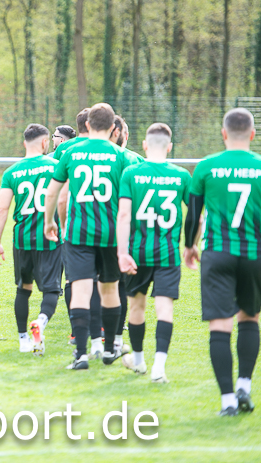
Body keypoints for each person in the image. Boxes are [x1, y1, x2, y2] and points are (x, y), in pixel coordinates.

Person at [183, 108, 261, 416]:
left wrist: (190, 245)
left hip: (217, 253)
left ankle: (228, 401)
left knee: (220, 324)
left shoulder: (206, 167)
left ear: (224, 133)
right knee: (249, 319)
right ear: (253, 134)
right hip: (255, 256)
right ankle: (244, 383)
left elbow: (193, 215)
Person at [43, 103, 133, 370]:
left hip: (78, 233)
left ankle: (81, 355)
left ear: (88, 125)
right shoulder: (122, 156)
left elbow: (54, 193)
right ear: (113, 128)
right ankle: (110, 349)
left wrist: (50, 222)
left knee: (81, 291)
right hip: (110, 234)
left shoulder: (70, 152)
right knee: (110, 290)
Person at [116, 123, 191, 383]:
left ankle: (138, 361)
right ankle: (159, 368)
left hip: (137, 253)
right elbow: (196, 214)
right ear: (169, 147)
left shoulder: (131, 173)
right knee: (164, 309)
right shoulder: (182, 176)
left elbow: (124, 215)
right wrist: (192, 244)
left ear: (145, 145)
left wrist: (122, 252)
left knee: (136, 306)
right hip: (168, 254)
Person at [0, 124, 62, 356]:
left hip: (22, 239)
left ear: (25, 143)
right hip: (50, 237)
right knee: (51, 290)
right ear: (45, 143)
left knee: (23, 289)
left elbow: (2, 210)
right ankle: (40, 322)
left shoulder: (11, 172)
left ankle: (23, 339)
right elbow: (64, 200)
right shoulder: (56, 167)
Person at [109, 114, 144, 355]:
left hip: (97, 227)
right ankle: (117, 334)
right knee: (121, 283)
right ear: (125, 135)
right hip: (128, 230)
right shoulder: (136, 160)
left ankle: (97, 334)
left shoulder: (93, 158)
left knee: (100, 282)